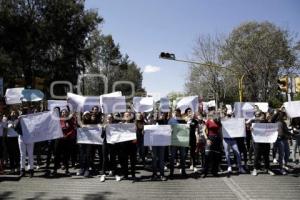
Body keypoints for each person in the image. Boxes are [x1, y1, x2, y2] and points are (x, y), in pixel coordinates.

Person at [249, 111, 275, 176]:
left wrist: (275, 130)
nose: (262, 117)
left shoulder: (267, 122)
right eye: (261, 115)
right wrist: (251, 129)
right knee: (257, 156)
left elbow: (272, 128)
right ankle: (255, 169)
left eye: (263, 115)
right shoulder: (255, 122)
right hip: (258, 142)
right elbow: (249, 127)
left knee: (266, 156)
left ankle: (268, 169)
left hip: (266, 142)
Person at [53, 109, 76, 176]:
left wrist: (66, 135)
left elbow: (72, 129)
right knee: (57, 155)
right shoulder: (58, 120)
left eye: (65, 112)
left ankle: (67, 170)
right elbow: (54, 129)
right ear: (61, 113)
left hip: (67, 140)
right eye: (63, 112)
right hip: (58, 139)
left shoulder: (70, 120)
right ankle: (55, 170)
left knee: (66, 155)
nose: (64, 113)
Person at [16, 107, 35, 178]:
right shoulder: (20, 118)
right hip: (21, 137)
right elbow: (16, 128)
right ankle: (22, 170)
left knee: (30, 154)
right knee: (22, 154)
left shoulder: (31, 118)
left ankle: (31, 170)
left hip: (29, 137)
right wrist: (19, 119)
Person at [202, 111, 222, 178]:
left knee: (216, 156)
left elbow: (220, 132)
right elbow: (203, 130)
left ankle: (214, 172)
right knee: (207, 155)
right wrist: (207, 139)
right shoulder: (208, 121)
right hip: (210, 138)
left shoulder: (218, 122)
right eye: (214, 114)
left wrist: (221, 141)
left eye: (216, 114)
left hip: (217, 139)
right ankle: (205, 172)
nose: (215, 115)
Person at [168, 108, 187, 179]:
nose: (176, 113)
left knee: (182, 156)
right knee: (172, 157)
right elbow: (167, 129)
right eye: (175, 112)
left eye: (177, 112)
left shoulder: (183, 120)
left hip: (182, 140)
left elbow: (186, 129)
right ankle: (171, 172)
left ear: (179, 113)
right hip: (174, 141)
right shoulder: (171, 120)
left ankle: (183, 171)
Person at [272, 109, 290, 175]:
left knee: (287, 153)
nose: (285, 117)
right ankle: (281, 168)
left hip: (285, 140)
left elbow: (287, 131)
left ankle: (284, 165)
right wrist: (279, 110)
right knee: (281, 154)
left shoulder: (284, 123)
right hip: (279, 140)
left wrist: (290, 135)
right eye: (284, 116)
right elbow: (273, 118)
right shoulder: (275, 122)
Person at [151, 112, 168, 181]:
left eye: (162, 114)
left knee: (161, 159)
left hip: (162, 142)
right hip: (154, 142)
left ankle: (162, 174)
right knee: (154, 158)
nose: (161, 116)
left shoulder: (165, 122)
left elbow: (168, 130)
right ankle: (154, 174)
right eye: (160, 114)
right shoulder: (153, 121)